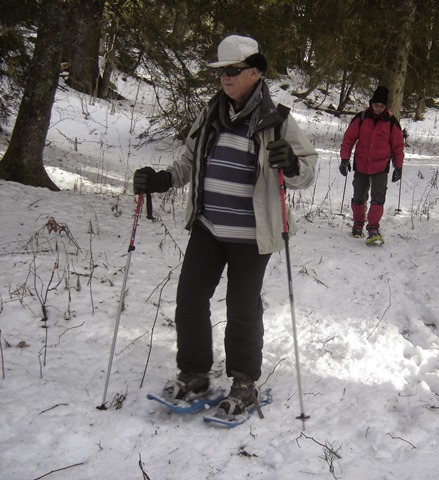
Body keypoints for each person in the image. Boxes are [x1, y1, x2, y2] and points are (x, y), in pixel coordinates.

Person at [133, 35, 317, 416]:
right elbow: (187, 160)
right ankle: (195, 371)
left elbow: (306, 172)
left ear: (255, 71)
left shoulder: (278, 120)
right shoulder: (211, 112)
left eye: (232, 71)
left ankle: (245, 380)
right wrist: (163, 179)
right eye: (220, 72)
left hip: (253, 234)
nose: (224, 78)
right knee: (190, 298)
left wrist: (292, 164)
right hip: (208, 227)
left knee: (242, 306)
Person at [339, 86, 404, 244]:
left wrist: (398, 166)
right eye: (376, 105)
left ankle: (373, 228)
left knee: (378, 197)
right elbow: (348, 139)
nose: (378, 108)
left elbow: (397, 146)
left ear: (385, 107)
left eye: (381, 106)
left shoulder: (391, 122)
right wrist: (344, 159)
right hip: (361, 164)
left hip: (381, 166)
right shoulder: (361, 118)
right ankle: (357, 225)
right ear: (371, 104)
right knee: (358, 196)